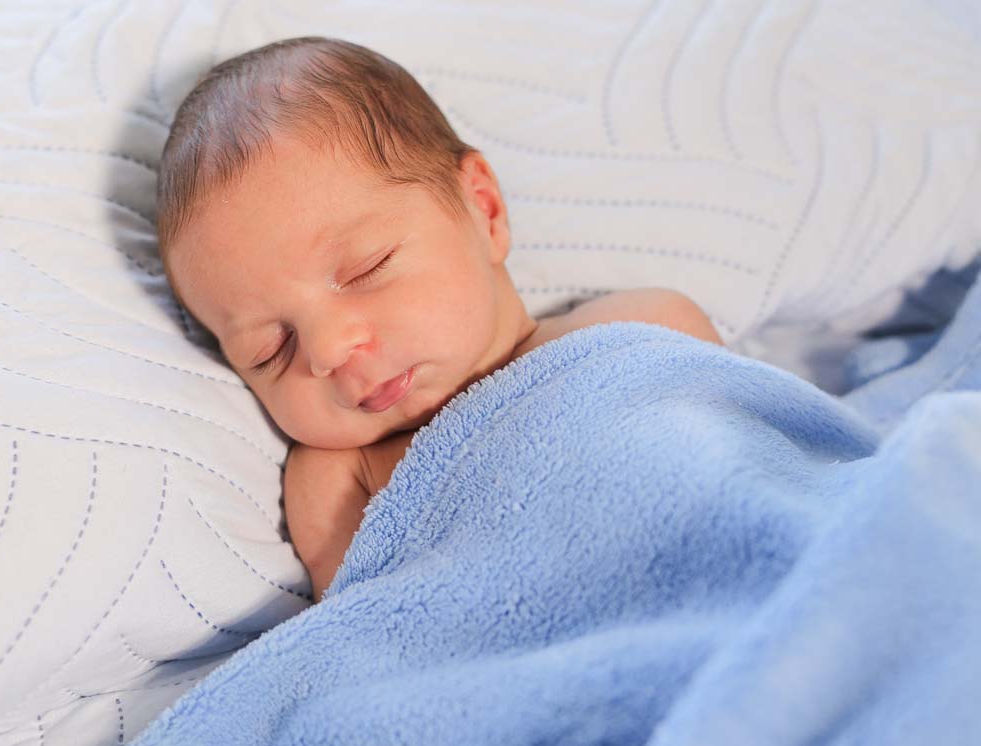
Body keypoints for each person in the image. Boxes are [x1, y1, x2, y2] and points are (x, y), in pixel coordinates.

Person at [157, 37, 723, 600]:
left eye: (365, 269)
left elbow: (766, 469)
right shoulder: (341, 477)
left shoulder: (642, 328)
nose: (327, 350)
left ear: (484, 209)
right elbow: (369, 637)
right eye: (271, 350)